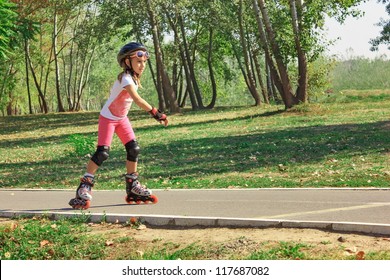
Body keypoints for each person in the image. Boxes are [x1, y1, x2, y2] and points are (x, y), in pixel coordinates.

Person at [69, 42, 168, 209]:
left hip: (121, 118)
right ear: (127, 62)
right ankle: (84, 186)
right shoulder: (126, 78)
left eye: (144, 62)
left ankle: (133, 186)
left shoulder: (134, 78)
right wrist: (156, 113)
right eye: (138, 62)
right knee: (102, 153)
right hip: (108, 118)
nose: (142, 65)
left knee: (133, 149)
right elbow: (137, 100)